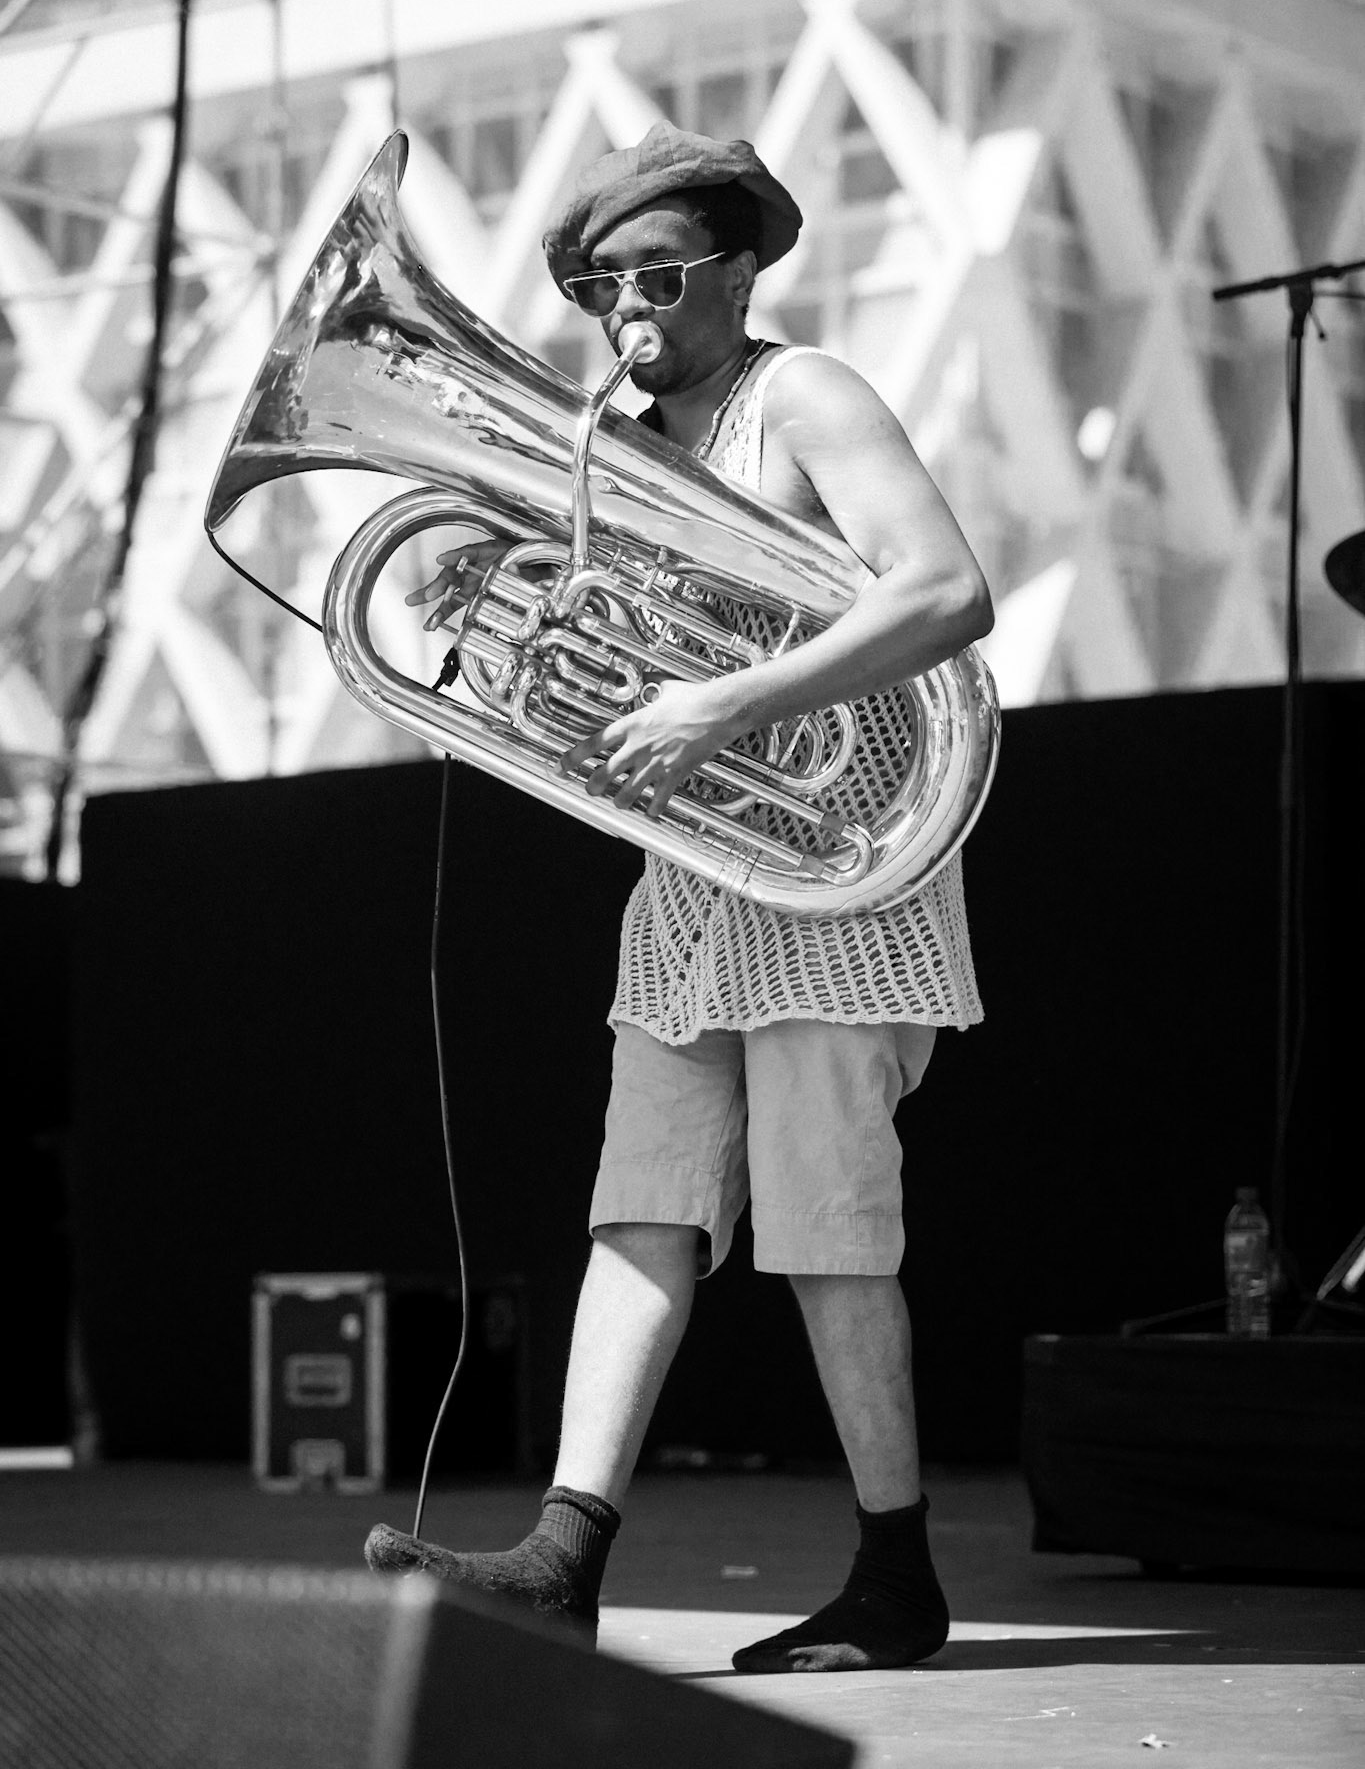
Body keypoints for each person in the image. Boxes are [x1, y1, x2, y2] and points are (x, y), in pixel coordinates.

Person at [366, 122, 993, 1674]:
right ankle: (561, 1560)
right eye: (598, 286)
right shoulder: (611, 449)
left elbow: (945, 591)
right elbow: (604, 671)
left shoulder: (809, 395)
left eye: (654, 275)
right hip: (699, 888)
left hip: (842, 872)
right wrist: (493, 619)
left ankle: (896, 1575)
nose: (623, 310)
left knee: (828, 1231)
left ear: (738, 269)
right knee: (637, 1208)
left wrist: (719, 705)